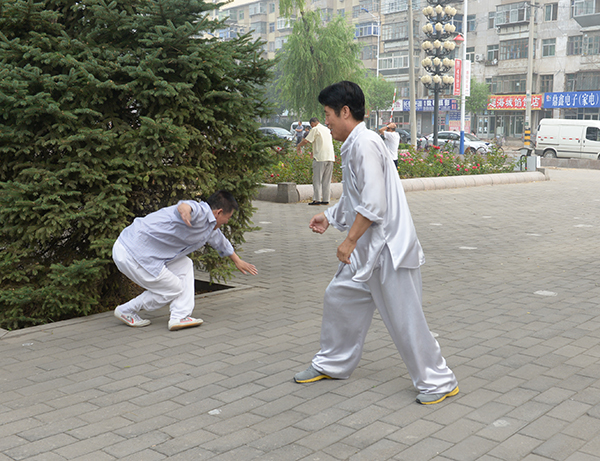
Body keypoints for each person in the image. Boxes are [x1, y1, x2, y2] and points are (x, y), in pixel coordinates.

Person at [293, 81, 459, 405]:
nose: (325, 121)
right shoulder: (354, 144)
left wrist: (349, 241)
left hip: (387, 249)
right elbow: (356, 196)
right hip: (368, 249)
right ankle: (333, 363)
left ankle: (438, 380)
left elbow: (374, 204)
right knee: (338, 296)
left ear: (344, 111)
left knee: (405, 317)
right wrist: (329, 217)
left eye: (327, 114)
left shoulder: (366, 143)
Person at [112, 190, 258, 331]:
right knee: (173, 288)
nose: (227, 221)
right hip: (132, 251)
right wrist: (185, 211)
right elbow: (186, 205)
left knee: (185, 264)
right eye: (229, 217)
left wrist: (237, 260)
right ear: (219, 212)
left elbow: (221, 242)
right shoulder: (200, 213)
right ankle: (127, 310)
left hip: (144, 252)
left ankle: (179, 316)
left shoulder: (209, 227)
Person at [296, 117, 335, 206]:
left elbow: (306, 141)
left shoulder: (315, 129)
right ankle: (326, 199)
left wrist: (298, 146)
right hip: (330, 157)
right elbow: (322, 142)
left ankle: (317, 199)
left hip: (320, 158)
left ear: (312, 124)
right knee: (327, 180)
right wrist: (313, 152)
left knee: (317, 180)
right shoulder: (326, 129)